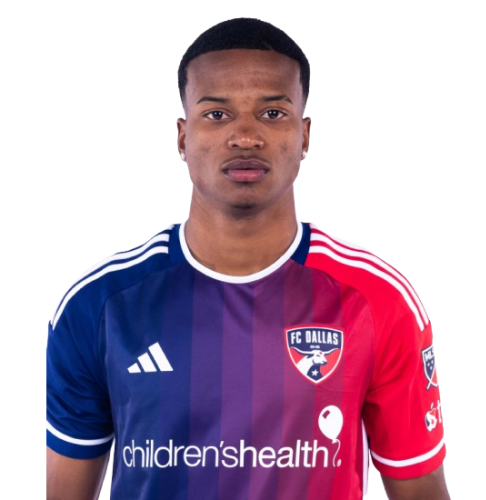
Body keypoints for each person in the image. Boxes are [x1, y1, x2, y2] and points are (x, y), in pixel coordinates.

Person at [46, 17, 450, 500]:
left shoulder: (378, 298)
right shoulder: (99, 302)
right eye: (217, 114)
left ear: (305, 135)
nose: (245, 136)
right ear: (182, 136)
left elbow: (420, 489)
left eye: (272, 113)